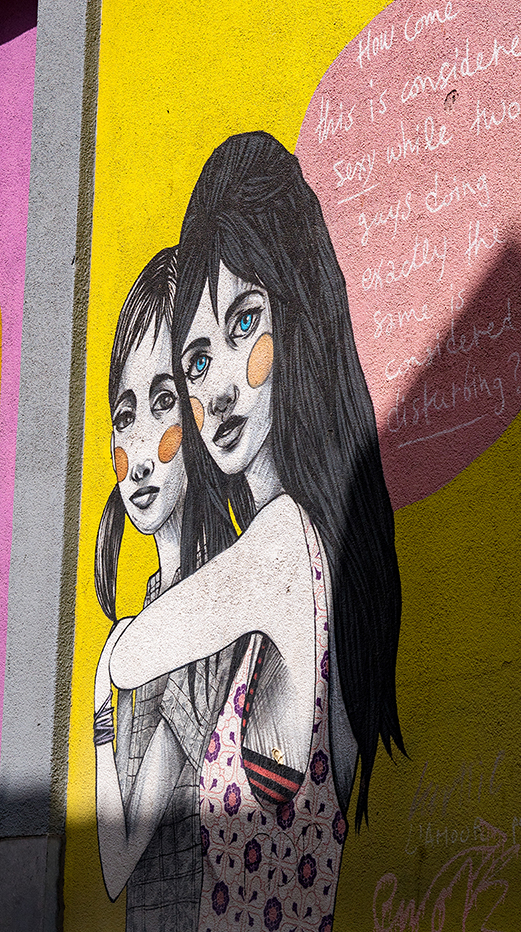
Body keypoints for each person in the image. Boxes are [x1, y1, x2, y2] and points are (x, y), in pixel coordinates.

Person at [109, 132, 404, 931]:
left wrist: (113, 680)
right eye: (197, 363)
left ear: (295, 313)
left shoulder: (280, 549)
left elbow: (130, 654)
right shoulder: (316, 553)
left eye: (244, 324)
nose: (218, 391)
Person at [94, 248, 222, 931]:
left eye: (164, 401)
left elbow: (116, 861)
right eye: (125, 415)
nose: (140, 453)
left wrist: (100, 707)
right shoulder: (153, 611)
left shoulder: (205, 610)